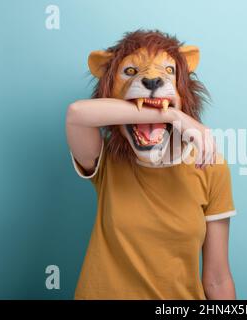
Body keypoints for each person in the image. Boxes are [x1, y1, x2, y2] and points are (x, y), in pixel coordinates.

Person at [66, 30, 237, 299]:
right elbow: (77, 114)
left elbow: (217, 279)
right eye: (130, 71)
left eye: (168, 71)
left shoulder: (210, 166)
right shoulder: (107, 160)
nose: (152, 79)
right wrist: (172, 114)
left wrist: (169, 111)